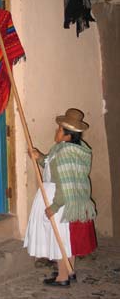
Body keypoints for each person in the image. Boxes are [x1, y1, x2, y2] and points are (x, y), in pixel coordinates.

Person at [24, 108, 97, 286]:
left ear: (67, 135)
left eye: (59, 129)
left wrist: (54, 207)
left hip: (61, 200)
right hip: (71, 200)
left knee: (60, 240)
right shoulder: (73, 150)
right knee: (66, 240)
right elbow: (52, 166)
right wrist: (39, 156)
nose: (56, 132)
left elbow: (63, 183)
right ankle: (69, 271)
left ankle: (63, 277)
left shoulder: (64, 154)